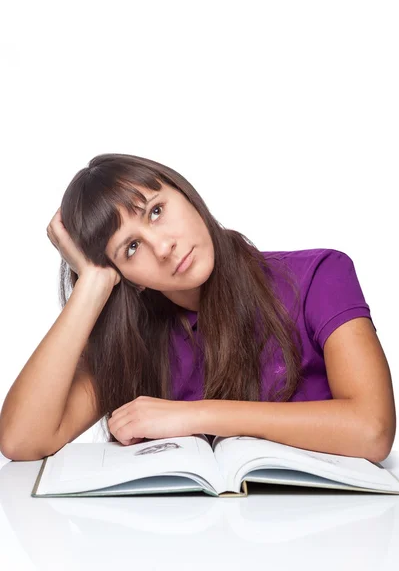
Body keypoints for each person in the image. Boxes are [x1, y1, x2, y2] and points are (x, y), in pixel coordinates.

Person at [0, 153, 395, 463]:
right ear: (127, 275)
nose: (162, 246)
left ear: (186, 195)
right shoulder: (134, 343)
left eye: (156, 210)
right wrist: (92, 283)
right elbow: (21, 439)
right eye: (131, 248)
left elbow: (372, 429)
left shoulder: (319, 276)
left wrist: (196, 415)